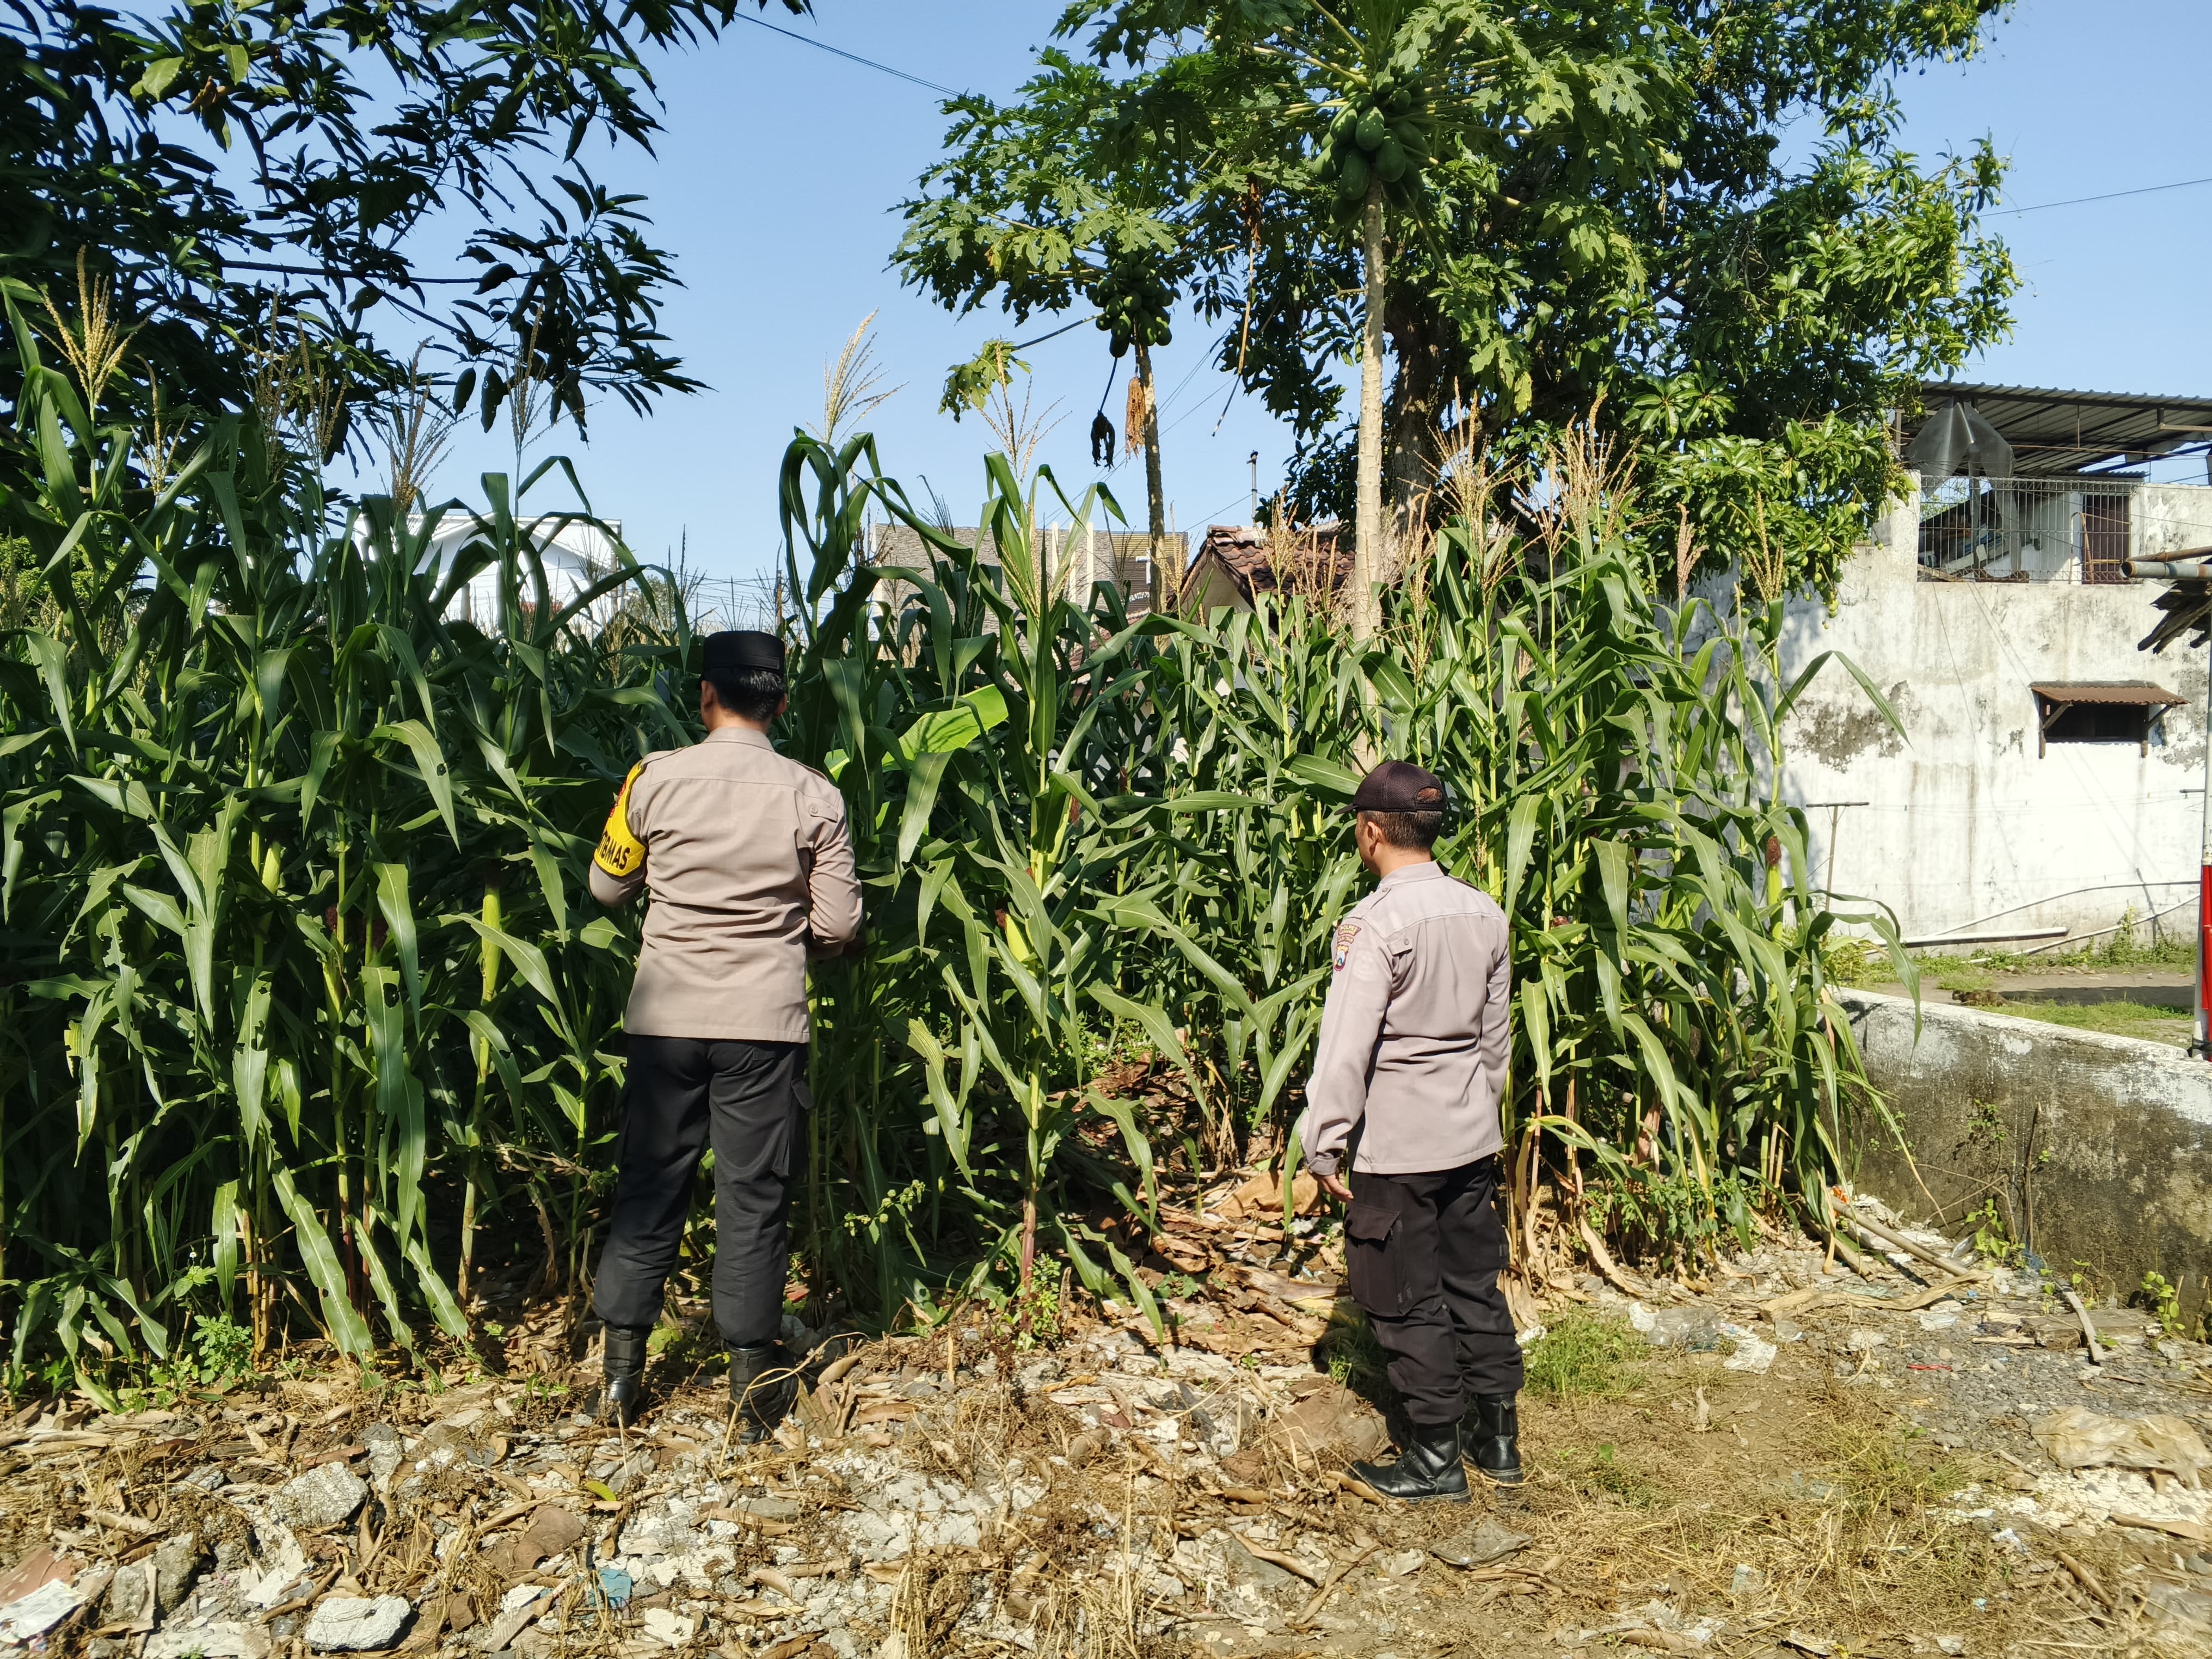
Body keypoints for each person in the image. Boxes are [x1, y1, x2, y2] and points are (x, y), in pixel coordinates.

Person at [586, 629, 862, 1431]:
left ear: (705, 697)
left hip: (665, 1021)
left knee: (649, 1186)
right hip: (764, 1027)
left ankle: (620, 1381)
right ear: (779, 703)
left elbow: (607, 886)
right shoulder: (815, 797)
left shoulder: (654, 780)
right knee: (753, 1198)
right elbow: (840, 925)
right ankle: (749, 1399)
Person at [1296, 760, 1520, 1502]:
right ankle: (1498, 1440)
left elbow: (1345, 1046)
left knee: (1403, 1294)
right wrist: (1478, 1114)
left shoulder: (1374, 926)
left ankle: (1434, 1459)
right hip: (1469, 1136)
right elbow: (1495, 1042)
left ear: (1370, 834)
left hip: (1400, 1147)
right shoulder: (1485, 912)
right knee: (1473, 1286)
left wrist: (1323, 1141)